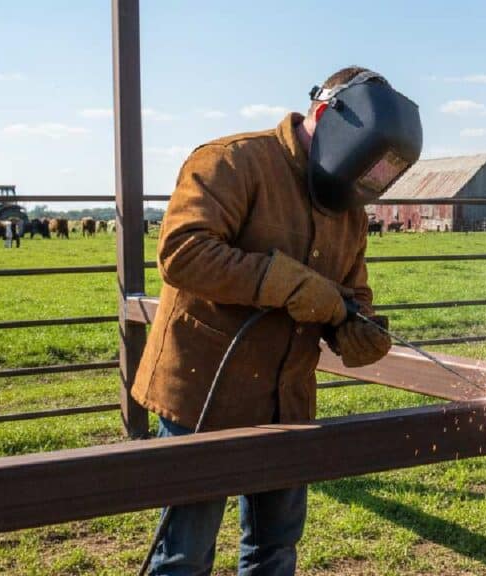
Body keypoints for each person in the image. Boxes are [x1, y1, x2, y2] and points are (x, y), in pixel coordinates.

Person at [132, 66, 422, 576]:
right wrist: (286, 283)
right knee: (184, 556)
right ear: (324, 114)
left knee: (274, 551)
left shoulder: (348, 209)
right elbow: (181, 252)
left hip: (286, 398)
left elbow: (352, 292)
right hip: (203, 393)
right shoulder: (233, 162)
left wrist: (357, 326)